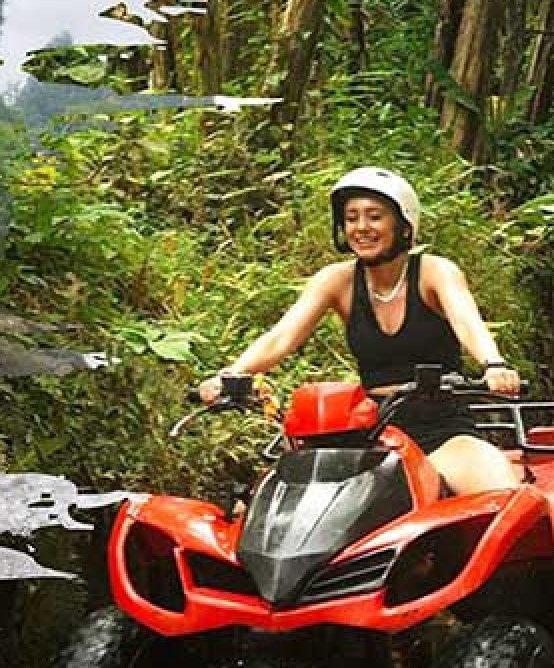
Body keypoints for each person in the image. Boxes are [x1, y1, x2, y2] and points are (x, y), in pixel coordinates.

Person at [197, 166, 521, 496]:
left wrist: (493, 364)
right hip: (370, 432)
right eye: (351, 218)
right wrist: (233, 374)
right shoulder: (337, 281)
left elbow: (467, 321)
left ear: (402, 224)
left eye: (374, 216)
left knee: (502, 496)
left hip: (442, 426)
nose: (361, 228)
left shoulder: (434, 273)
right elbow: (281, 336)